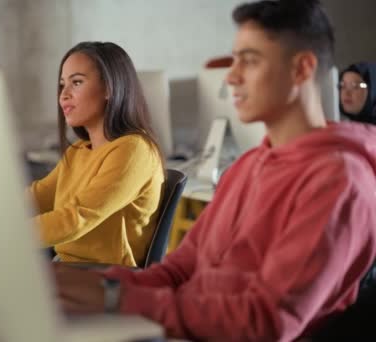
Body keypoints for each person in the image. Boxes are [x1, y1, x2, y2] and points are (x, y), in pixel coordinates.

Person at [53, 1, 376, 341]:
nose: (232, 77)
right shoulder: (251, 164)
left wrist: (116, 299)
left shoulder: (339, 181)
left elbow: (266, 321)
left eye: (249, 61)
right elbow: (181, 270)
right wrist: (96, 285)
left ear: (301, 69)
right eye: (234, 60)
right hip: (194, 327)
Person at [0, 41, 165, 267]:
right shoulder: (79, 152)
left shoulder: (134, 150)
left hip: (107, 280)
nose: (64, 95)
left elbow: (75, 218)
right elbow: (33, 199)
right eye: (62, 85)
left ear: (110, 88)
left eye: (77, 82)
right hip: (67, 271)